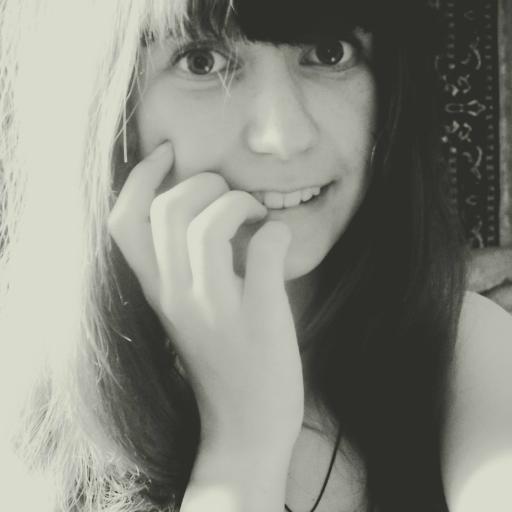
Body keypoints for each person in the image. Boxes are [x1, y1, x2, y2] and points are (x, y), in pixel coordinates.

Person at [1, 0, 511, 511]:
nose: (283, 138)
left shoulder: (465, 351)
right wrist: (241, 447)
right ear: (110, 114)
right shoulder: (22, 425)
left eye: (329, 53)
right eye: (202, 61)